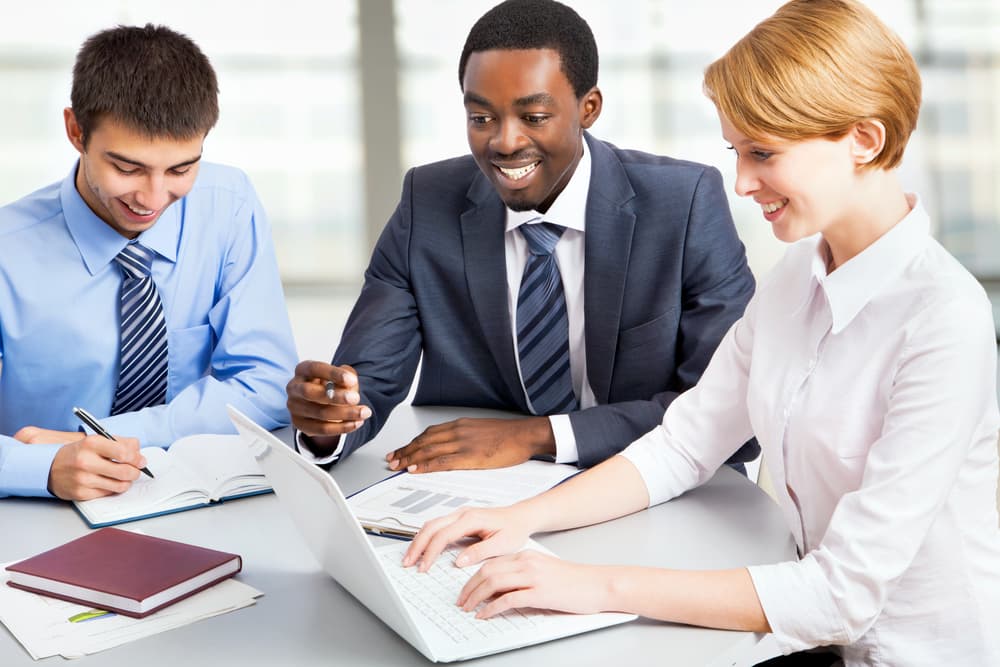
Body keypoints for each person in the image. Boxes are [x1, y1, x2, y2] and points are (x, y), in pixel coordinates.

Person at [402, 1, 1000, 665]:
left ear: (864, 139)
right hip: (809, 639)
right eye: (736, 152)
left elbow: (841, 593)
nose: (741, 182)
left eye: (763, 153)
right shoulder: (797, 275)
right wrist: (522, 518)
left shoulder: (943, 319)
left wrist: (589, 585)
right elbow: (684, 444)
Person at [287, 0, 757, 474]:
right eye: (481, 118)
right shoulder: (425, 203)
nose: (505, 142)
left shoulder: (685, 204)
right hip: (483, 490)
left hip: (657, 484)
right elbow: (365, 380)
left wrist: (538, 436)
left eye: (533, 117)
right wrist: (327, 421)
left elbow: (730, 418)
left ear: (588, 108)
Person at [0, 25, 297, 501]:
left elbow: (266, 382)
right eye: (127, 168)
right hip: (40, 509)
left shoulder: (228, 204)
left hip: (187, 494)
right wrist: (39, 467)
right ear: (76, 131)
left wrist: (115, 436)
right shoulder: (7, 250)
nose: (154, 199)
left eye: (181, 169)